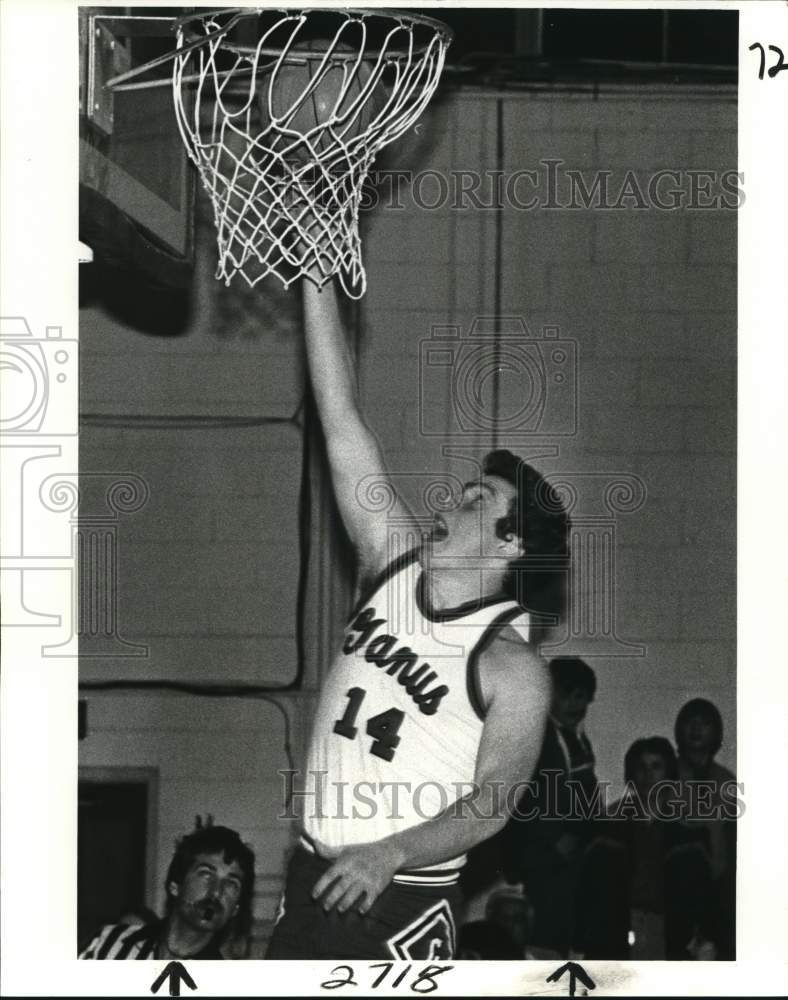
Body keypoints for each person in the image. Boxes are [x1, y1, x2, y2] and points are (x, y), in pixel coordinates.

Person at [265, 278, 568, 959]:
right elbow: (341, 418)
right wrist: (315, 278)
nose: (449, 503)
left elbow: (494, 801)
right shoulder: (393, 562)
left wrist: (391, 852)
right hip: (311, 878)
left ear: (512, 542)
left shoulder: (512, 668)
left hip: (398, 896)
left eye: (474, 499)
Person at [578, 737, 715, 961]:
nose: (647, 774)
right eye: (640, 767)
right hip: (615, 936)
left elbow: (705, 896)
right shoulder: (608, 827)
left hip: (670, 936)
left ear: (669, 773)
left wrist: (705, 940)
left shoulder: (688, 831)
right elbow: (588, 891)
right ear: (631, 773)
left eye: (656, 766)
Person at [503, 656, 598, 958]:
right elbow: (518, 799)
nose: (576, 705)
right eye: (568, 696)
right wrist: (548, 844)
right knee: (540, 934)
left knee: (564, 931)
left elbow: (587, 795)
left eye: (583, 698)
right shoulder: (535, 738)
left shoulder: (578, 741)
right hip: (542, 855)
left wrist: (580, 831)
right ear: (548, 694)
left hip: (568, 857)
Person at [80, 824, 255, 960]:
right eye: (206, 874)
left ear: (236, 908)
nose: (216, 892)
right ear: (175, 885)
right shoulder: (109, 941)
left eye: (231, 884)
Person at [674, 698, 737, 959]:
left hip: (720, 884)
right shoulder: (667, 773)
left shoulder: (726, 780)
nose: (697, 729)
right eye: (691, 722)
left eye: (705, 723)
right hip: (678, 881)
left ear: (717, 732)